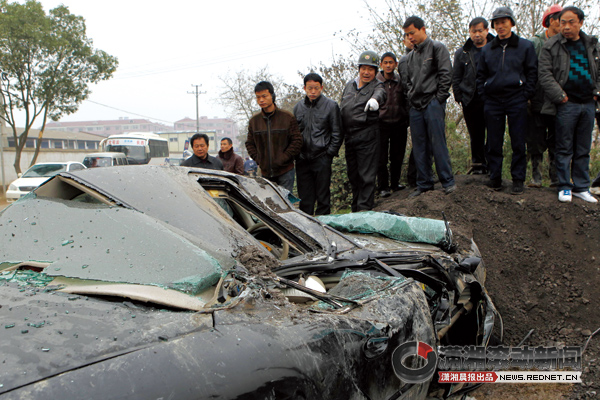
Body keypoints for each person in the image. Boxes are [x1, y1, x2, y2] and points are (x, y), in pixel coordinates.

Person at [539, 6, 599, 203]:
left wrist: (597, 93)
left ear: (580, 23)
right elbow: (545, 74)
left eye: (571, 22)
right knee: (564, 147)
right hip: (566, 103)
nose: (566, 26)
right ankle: (565, 186)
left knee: (583, 147)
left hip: (588, 102)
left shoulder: (591, 44)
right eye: (563, 22)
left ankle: (581, 187)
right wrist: (560, 96)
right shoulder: (552, 45)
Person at [476, 6, 537, 195]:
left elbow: (532, 72)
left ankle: (518, 178)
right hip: (493, 100)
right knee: (494, 141)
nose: (500, 26)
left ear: (511, 23)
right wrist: (484, 95)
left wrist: (526, 93)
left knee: (518, 140)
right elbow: (480, 75)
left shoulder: (525, 46)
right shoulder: (487, 49)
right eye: (497, 23)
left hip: (516, 98)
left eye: (504, 22)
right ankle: (495, 177)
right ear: (493, 26)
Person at [403, 16, 455, 197]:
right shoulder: (409, 57)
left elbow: (446, 75)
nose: (410, 37)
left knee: (437, 142)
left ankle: (447, 181)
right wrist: (411, 99)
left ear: (422, 29)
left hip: (433, 102)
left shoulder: (437, 48)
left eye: (412, 33)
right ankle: (424, 183)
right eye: (407, 34)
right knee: (419, 146)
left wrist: (439, 98)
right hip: (415, 106)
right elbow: (407, 82)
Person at [340, 50, 386, 212]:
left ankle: (364, 209)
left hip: (367, 135)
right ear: (359, 69)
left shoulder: (377, 85)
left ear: (375, 71)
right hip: (350, 137)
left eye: (370, 69)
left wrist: (375, 100)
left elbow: (381, 93)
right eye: (363, 68)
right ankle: (355, 210)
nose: (366, 72)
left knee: (366, 176)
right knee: (353, 175)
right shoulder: (349, 86)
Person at [293, 72, 342, 215]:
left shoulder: (331, 106)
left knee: (323, 197)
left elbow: (337, 132)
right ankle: (307, 230)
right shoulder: (298, 108)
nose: (313, 92)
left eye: (316, 88)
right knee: (305, 199)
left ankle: (325, 230)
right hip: (302, 159)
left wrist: (329, 154)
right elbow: (294, 133)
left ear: (321, 88)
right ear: (304, 88)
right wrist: (297, 154)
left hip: (322, 157)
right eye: (309, 88)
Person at [453, 17, 494, 175]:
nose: (477, 34)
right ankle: (478, 165)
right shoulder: (462, 52)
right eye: (473, 31)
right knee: (475, 134)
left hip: (492, 97)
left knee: (493, 133)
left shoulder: (495, 48)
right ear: (469, 32)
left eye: (480, 31)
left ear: (486, 31)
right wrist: (459, 97)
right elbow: (456, 76)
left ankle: (492, 165)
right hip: (470, 98)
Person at [527, 4, 563, 188]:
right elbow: (526, 70)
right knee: (535, 139)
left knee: (557, 139)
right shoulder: (535, 43)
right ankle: (536, 176)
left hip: (558, 99)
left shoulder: (567, 44)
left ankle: (555, 177)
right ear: (550, 21)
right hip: (537, 97)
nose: (563, 24)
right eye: (560, 20)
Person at [246, 81, 303, 192]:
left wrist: (284, 158)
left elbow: (297, 141)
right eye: (258, 97)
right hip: (265, 172)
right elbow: (249, 143)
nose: (261, 100)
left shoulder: (287, 117)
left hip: (285, 171)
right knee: (268, 204)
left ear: (272, 96)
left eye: (264, 96)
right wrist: (259, 159)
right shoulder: (254, 121)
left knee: (285, 204)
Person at [376, 52, 409, 198]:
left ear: (395, 64)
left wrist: (406, 117)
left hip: (399, 123)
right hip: (381, 124)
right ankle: (383, 186)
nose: (388, 65)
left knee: (397, 156)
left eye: (391, 62)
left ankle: (395, 183)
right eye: (385, 62)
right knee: (380, 157)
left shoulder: (401, 80)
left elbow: (407, 99)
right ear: (381, 64)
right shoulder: (376, 82)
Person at [398, 34, 418, 188]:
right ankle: (413, 176)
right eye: (408, 37)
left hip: (423, 104)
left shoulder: (425, 54)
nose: (411, 40)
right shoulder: (405, 60)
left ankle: (419, 174)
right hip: (411, 105)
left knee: (426, 141)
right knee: (418, 141)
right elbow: (406, 86)